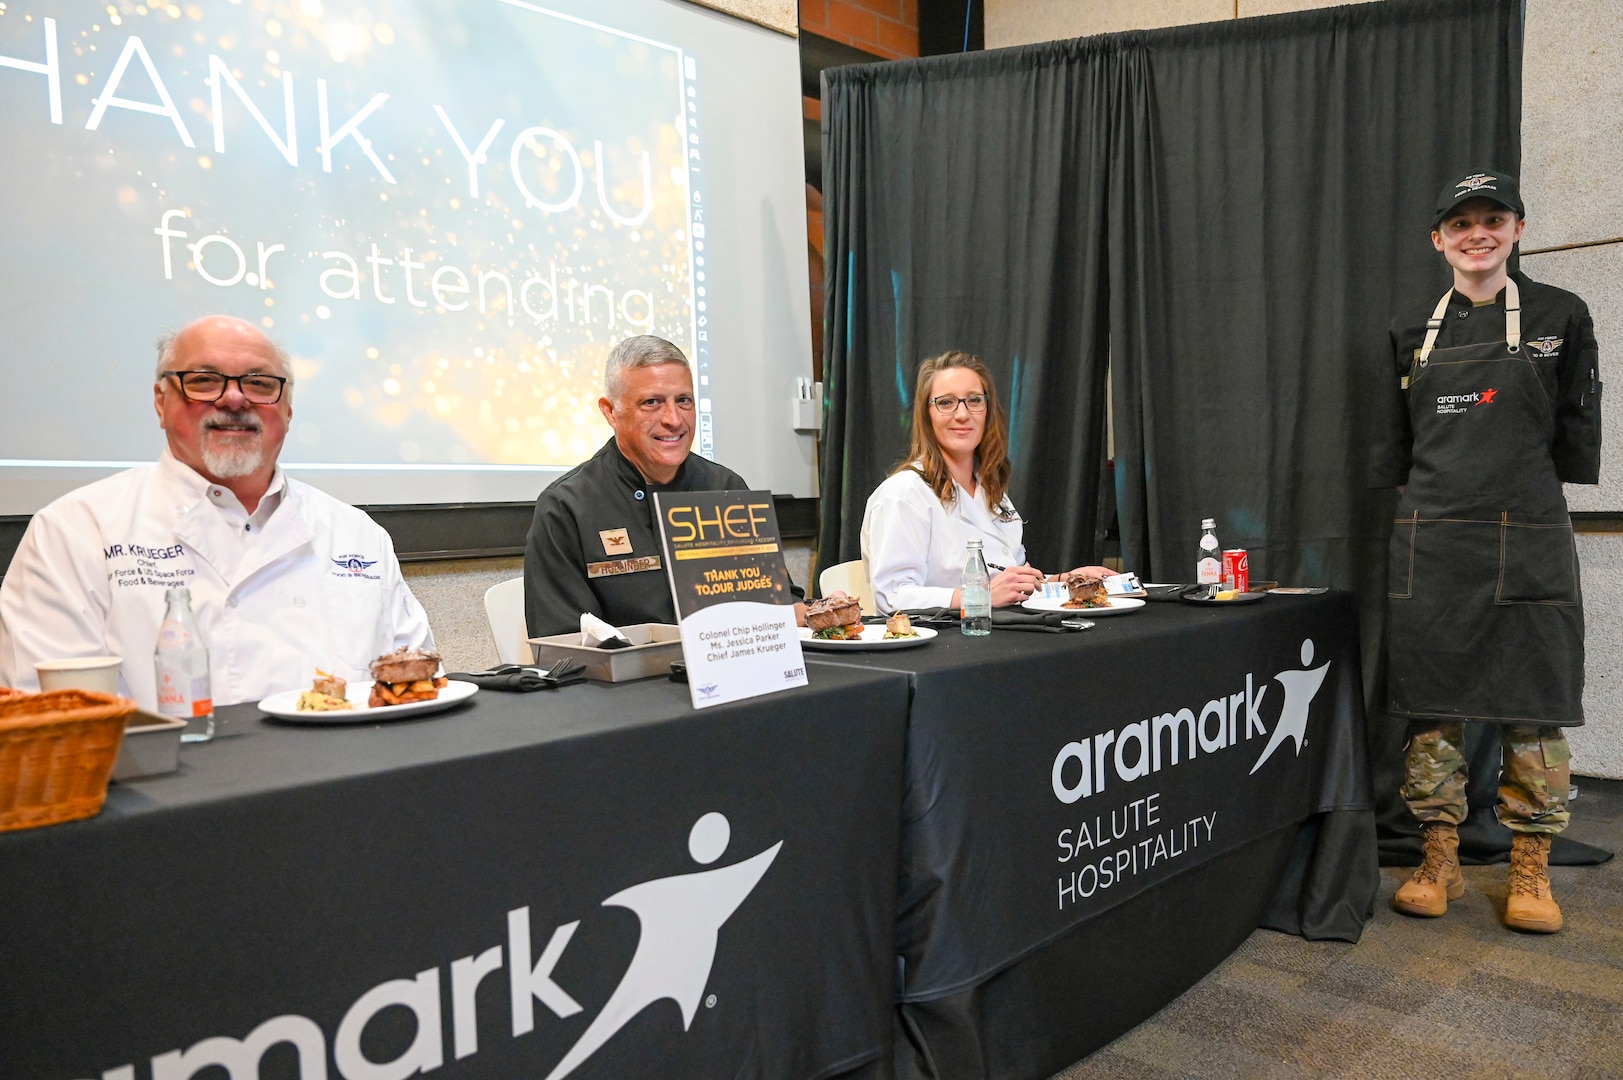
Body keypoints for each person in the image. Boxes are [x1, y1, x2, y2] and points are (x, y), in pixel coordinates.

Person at [1371, 171, 1602, 933]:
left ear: (1517, 229)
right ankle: (1437, 859)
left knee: (1531, 708)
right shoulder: (1410, 326)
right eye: (1461, 222)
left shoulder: (1559, 314)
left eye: (1492, 219)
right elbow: (1391, 443)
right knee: (1432, 712)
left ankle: (1530, 868)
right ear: (1438, 238)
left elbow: (1575, 426)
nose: (1478, 233)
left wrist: (1530, 494)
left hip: (1525, 531)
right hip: (1432, 537)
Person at [0, 316, 435, 709]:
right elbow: (47, 718)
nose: (233, 398)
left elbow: (415, 688)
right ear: (160, 401)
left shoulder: (357, 534)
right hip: (160, 792)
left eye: (260, 383)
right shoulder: (74, 531)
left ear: (287, 407)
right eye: (204, 380)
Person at [524, 335, 804, 637]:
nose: (673, 419)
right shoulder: (567, 508)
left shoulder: (726, 488)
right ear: (610, 412)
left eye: (683, 401)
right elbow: (564, 644)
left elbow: (776, 605)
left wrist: (809, 612)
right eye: (652, 402)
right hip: (630, 683)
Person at [860, 350, 1109, 614]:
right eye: (946, 402)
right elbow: (892, 596)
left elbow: (1008, 583)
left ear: (987, 410)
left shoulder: (991, 491)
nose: (962, 414)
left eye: (974, 400)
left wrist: (1064, 582)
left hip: (1001, 630)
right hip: (943, 644)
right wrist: (978, 596)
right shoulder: (903, 494)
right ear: (926, 415)